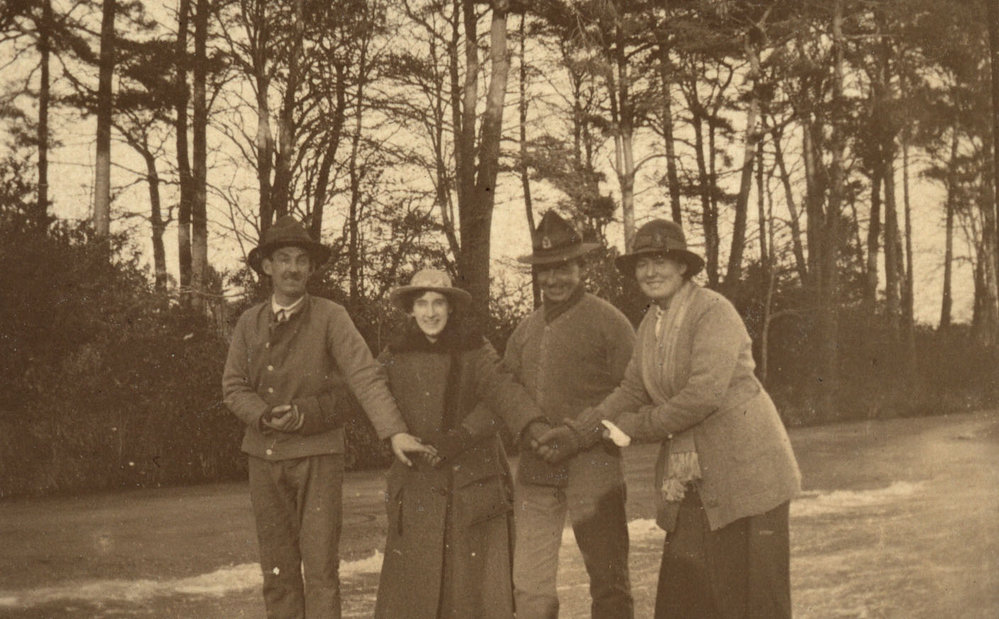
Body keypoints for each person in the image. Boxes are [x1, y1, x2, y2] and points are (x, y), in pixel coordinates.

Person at [552, 219, 802, 618]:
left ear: (683, 266)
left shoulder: (713, 312)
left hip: (749, 477)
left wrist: (633, 428)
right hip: (694, 478)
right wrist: (581, 431)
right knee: (685, 598)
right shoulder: (652, 322)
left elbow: (702, 397)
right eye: (642, 264)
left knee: (754, 602)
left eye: (661, 260)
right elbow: (632, 390)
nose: (650, 272)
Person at [222, 215, 433, 619]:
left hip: (319, 457)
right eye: (283, 258)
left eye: (302, 259)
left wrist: (394, 433)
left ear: (311, 268)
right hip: (263, 459)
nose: (293, 268)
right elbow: (232, 387)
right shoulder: (249, 323)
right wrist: (264, 417)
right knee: (278, 571)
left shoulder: (331, 317)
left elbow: (365, 377)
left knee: (320, 570)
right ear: (266, 266)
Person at [373, 269, 545, 619]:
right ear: (411, 309)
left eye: (438, 302)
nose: (430, 312)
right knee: (416, 598)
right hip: (418, 487)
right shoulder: (393, 354)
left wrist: (466, 435)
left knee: (473, 598)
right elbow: (369, 392)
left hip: (472, 489)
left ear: (451, 308)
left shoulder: (476, 348)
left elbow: (502, 393)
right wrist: (393, 433)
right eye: (421, 303)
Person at [504, 211, 637, 619]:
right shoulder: (525, 329)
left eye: (564, 267)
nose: (555, 279)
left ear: (582, 266)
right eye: (546, 270)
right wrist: (529, 425)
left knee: (608, 580)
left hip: (593, 471)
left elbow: (634, 393)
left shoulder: (610, 322)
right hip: (537, 470)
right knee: (529, 584)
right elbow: (504, 388)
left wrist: (585, 431)